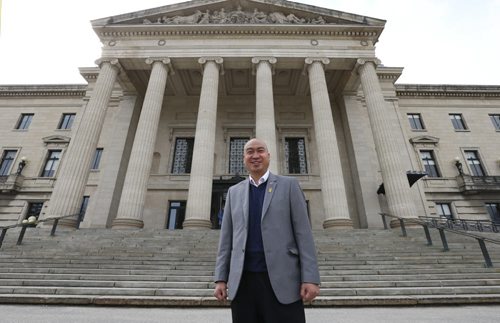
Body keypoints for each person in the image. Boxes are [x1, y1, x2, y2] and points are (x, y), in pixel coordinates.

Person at [214, 138, 320, 323]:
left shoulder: (289, 186)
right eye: (249, 152)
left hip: (282, 280)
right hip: (244, 282)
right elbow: (226, 240)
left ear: (269, 155)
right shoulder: (234, 192)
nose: (255, 156)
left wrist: (310, 278)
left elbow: (304, 235)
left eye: (260, 151)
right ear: (244, 157)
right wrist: (220, 279)